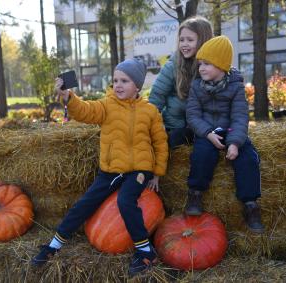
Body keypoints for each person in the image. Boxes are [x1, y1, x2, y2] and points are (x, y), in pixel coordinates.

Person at [31, 59, 169, 276]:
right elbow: (86, 111)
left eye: (125, 80)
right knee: (84, 204)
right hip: (111, 170)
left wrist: (158, 173)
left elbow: (160, 143)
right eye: (115, 80)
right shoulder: (106, 105)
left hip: (139, 170)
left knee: (126, 200)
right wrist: (69, 97)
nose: (119, 85)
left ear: (138, 86)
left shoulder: (150, 111)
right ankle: (54, 246)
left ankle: (145, 251)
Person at [185, 35, 265, 233]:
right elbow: (192, 115)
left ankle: (250, 204)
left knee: (247, 158)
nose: (201, 68)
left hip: (230, 130)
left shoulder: (236, 87)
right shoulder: (196, 87)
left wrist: (235, 143)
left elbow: (239, 116)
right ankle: (195, 193)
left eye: (207, 64)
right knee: (202, 154)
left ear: (221, 66)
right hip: (207, 131)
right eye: (200, 64)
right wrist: (207, 133)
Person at [149, 16, 213, 149]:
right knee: (170, 142)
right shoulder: (173, 65)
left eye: (190, 40)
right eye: (181, 40)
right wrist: (148, 125)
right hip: (175, 125)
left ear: (203, 41)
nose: (184, 44)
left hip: (202, 126)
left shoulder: (211, 68)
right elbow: (156, 96)